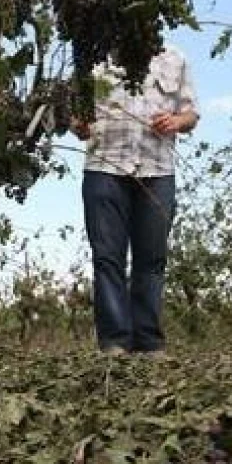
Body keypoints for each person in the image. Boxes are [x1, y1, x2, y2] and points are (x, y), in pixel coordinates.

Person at [71, 45, 199, 357]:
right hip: (104, 166)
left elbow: (191, 113)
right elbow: (75, 116)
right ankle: (114, 344)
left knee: (152, 259)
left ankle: (149, 344)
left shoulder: (175, 58)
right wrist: (79, 125)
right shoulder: (93, 56)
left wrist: (175, 122)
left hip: (157, 170)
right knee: (107, 257)